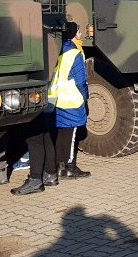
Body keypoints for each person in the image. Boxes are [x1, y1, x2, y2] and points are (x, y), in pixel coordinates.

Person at [50, 22, 91, 180]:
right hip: (72, 100)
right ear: (75, 34)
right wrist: (86, 96)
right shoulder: (75, 52)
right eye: (79, 31)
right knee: (71, 135)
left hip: (59, 99)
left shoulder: (59, 49)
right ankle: (70, 167)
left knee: (62, 134)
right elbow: (80, 80)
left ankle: (59, 166)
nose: (81, 34)